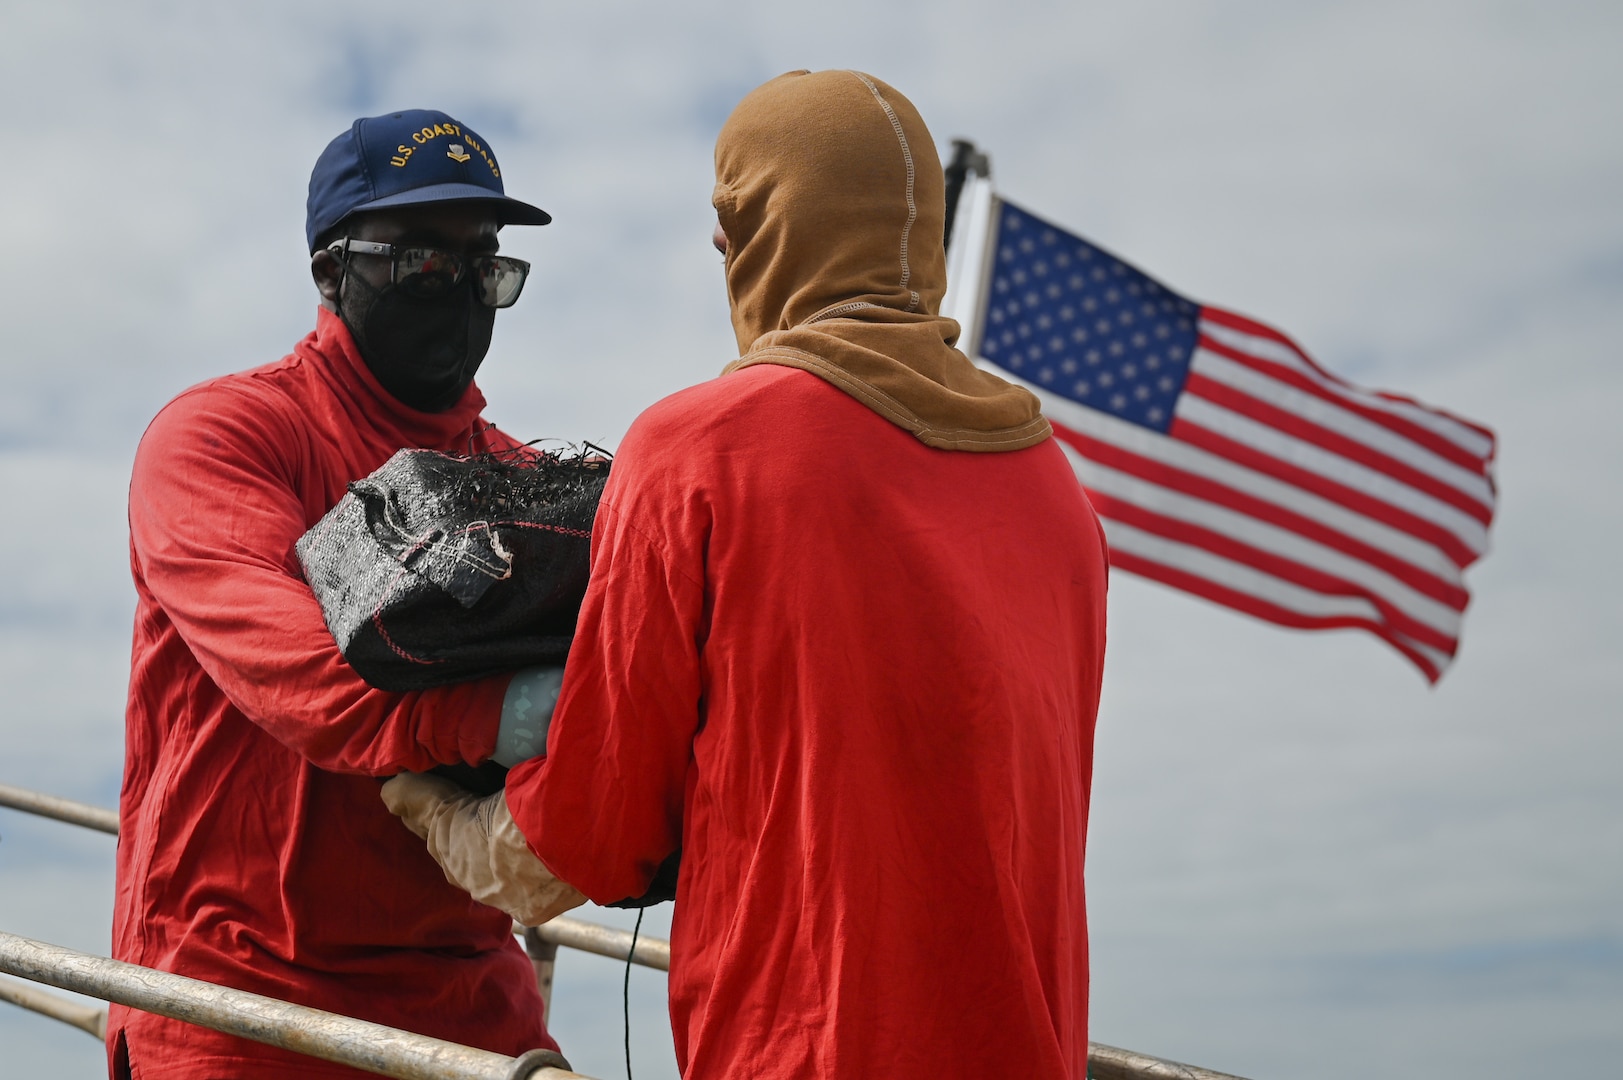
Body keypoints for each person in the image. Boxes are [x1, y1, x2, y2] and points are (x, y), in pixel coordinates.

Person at [386, 71, 1109, 1079]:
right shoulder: (1059, 493)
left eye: (729, 234)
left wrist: (424, 802)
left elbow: (592, 835)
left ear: (756, 239)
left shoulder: (699, 452)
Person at [110, 109, 567, 1079]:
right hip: (239, 1013)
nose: (457, 291)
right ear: (329, 270)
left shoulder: (534, 488)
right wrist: (515, 709)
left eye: (483, 268)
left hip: (477, 1014)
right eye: (421, 263)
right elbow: (308, 668)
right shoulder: (223, 438)